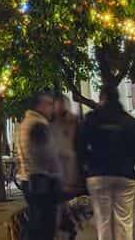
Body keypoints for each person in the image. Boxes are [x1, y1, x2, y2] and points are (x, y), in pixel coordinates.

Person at [77, 85, 135, 240]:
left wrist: (86, 165)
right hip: (125, 173)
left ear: (101, 98)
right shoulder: (128, 121)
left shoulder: (92, 119)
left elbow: (79, 145)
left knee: (103, 220)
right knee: (124, 220)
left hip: (98, 173)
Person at [16, 91, 63, 240]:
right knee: (44, 226)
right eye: (49, 104)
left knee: (37, 223)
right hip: (41, 180)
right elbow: (48, 155)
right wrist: (59, 175)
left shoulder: (26, 122)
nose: (52, 108)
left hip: (30, 179)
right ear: (41, 105)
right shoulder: (38, 124)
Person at [50, 95, 83, 239]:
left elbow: (80, 148)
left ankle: (68, 233)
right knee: (59, 215)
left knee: (68, 215)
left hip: (70, 176)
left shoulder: (74, 122)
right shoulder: (50, 124)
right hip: (57, 177)